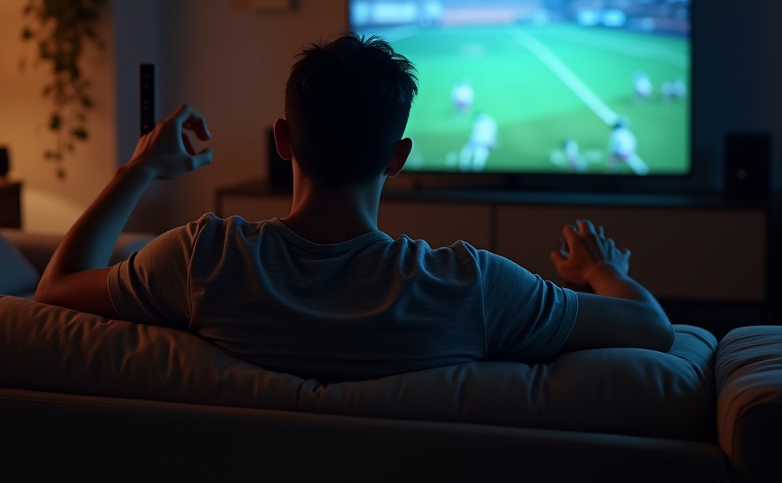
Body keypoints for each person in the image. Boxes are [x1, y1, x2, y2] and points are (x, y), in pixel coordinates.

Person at [36, 33, 673, 380]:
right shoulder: (471, 286)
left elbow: (55, 287)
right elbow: (652, 330)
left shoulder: (202, 259)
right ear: (398, 157)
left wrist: (140, 167)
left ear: (282, 140)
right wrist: (599, 271)